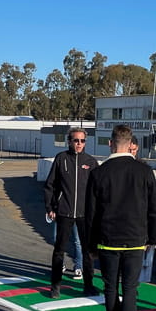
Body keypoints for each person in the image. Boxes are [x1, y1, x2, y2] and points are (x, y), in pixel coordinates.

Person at [85, 124, 156, 311]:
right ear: (131, 145)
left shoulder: (99, 173)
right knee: (130, 289)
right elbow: (154, 209)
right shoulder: (144, 171)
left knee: (110, 288)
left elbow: (90, 214)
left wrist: (91, 245)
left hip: (108, 240)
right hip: (136, 239)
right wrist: (153, 237)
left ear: (110, 143)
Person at [44, 127, 98, 298]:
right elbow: (50, 185)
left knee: (87, 251)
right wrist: (50, 207)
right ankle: (55, 285)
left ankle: (88, 285)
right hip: (64, 213)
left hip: (84, 215)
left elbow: (97, 190)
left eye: (82, 141)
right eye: (76, 140)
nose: (79, 144)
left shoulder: (91, 162)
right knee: (59, 250)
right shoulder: (61, 159)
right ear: (69, 141)